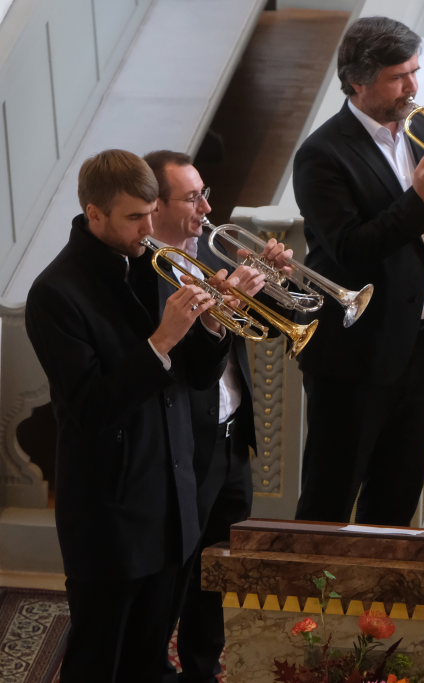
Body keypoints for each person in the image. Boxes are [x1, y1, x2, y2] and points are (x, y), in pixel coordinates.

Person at [291, 16, 424, 525]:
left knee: (398, 491)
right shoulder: (321, 155)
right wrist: (419, 196)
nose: (412, 87)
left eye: (414, 72)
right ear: (357, 81)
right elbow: (351, 250)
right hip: (355, 351)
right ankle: (311, 582)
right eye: (398, 77)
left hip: (418, 339)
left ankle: (379, 582)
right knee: (330, 496)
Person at [24, 149, 230, 682]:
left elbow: (196, 377)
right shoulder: (55, 293)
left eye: (151, 213)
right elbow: (89, 408)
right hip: (110, 515)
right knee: (97, 662)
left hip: (173, 503)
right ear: (95, 214)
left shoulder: (156, 262)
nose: (149, 229)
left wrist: (212, 324)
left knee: (151, 662)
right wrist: (161, 340)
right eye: (135, 218)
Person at [144, 150, 290, 682]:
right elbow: (190, 369)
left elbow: (269, 325)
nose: (207, 207)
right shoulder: (147, 272)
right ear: (156, 206)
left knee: (219, 573)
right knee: (176, 574)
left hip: (233, 441)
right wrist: (220, 312)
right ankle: (152, 666)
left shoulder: (211, 248)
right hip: (187, 446)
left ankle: (202, 670)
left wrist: (275, 282)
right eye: (192, 198)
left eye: (204, 193)